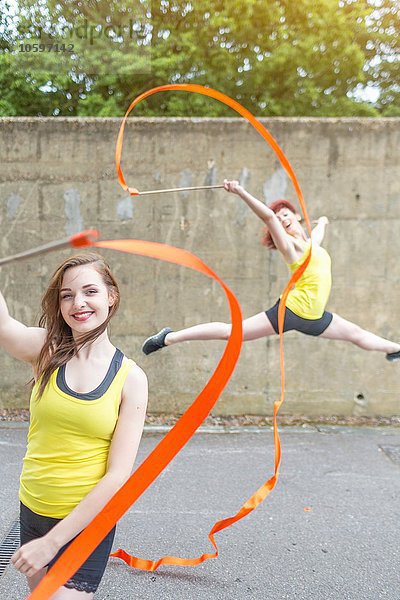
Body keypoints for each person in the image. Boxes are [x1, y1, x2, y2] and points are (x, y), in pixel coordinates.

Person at [3, 253, 148, 598]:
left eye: (89, 292)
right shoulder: (45, 351)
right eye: (67, 295)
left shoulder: (130, 379)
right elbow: (3, 325)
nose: (78, 303)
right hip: (34, 508)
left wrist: (52, 543)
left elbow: (117, 476)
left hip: (85, 525)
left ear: (111, 297)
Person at [142, 179, 400, 361]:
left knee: (357, 334)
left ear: (296, 216)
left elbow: (317, 236)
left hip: (314, 317)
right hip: (289, 312)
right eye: (279, 218)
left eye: (286, 213)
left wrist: (322, 222)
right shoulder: (291, 248)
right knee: (233, 333)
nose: (282, 218)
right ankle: (169, 338)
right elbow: (266, 216)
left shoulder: (311, 245)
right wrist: (240, 192)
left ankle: (395, 349)